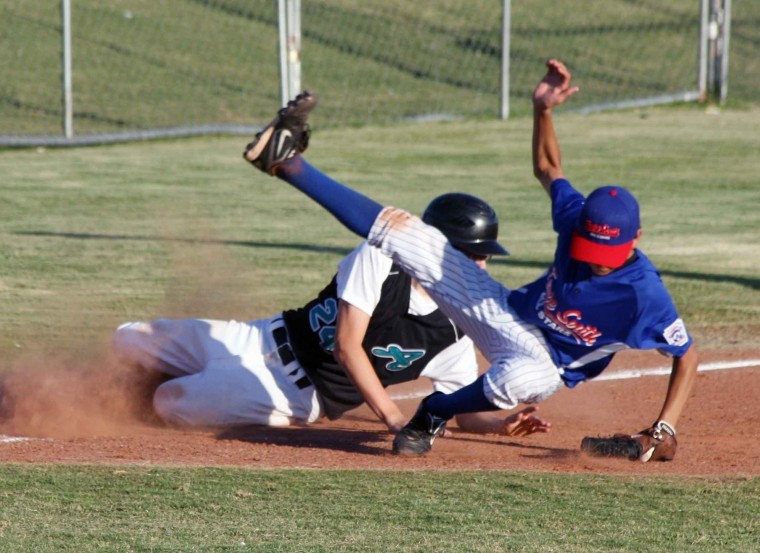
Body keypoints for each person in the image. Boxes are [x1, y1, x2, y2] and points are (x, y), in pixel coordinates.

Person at [242, 59, 699, 459]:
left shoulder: (645, 294)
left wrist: (666, 427)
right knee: (406, 232)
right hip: (499, 311)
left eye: (606, 254)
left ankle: (433, 412)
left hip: (546, 359)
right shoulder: (575, 216)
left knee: (534, 378)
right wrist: (542, 109)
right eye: (588, 247)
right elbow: (548, 169)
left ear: (636, 238)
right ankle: (286, 161)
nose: (596, 262)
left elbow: (686, 355)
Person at [112, 193, 550, 438]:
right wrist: (394, 419)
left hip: (295, 393)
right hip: (259, 337)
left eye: (484, 257)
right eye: (472, 254)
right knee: (127, 337)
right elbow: (346, 345)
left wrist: (497, 425)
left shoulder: (456, 328)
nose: (481, 266)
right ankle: (125, 385)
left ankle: (122, 404)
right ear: (436, 246)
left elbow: (464, 411)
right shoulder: (381, 257)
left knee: (169, 401)